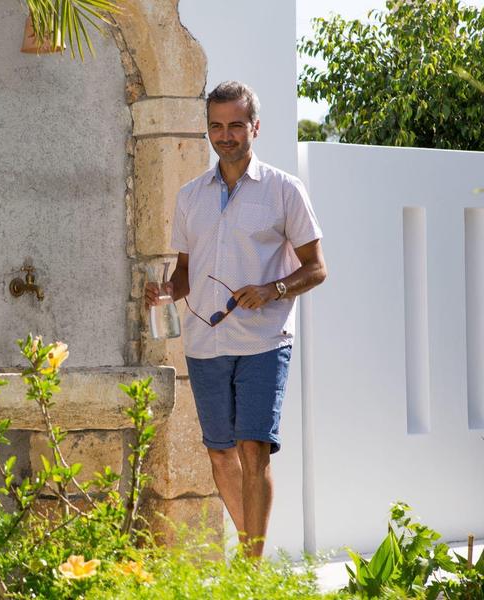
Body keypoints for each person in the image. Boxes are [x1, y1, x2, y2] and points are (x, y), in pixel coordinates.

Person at [145, 80, 327, 557]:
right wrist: (167, 291)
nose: (225, 136)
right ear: (208, 129)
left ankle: (249, 565)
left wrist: (273, 289)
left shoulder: (285, 190)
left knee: (253, 448)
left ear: (255, 127)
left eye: (236, 125)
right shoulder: (189, 197)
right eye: (216, 126)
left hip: (265, 340)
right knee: (220, 453)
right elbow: (185, 273)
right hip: (204, 344)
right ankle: (253, 556)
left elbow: (316, 267)